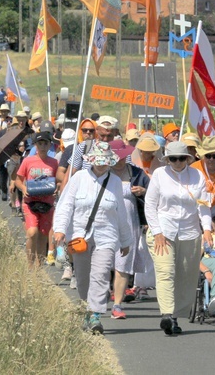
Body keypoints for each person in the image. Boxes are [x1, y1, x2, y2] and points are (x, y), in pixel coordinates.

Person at [53, 142, 133, 334]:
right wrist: (60, 229)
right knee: (82, 277)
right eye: (98, 161)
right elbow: (65, 205)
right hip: (80, 235)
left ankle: (96, 315)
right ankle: (86, 310)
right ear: (91, 161)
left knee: (101, 274)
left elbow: (121, 212)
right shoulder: (79, 178)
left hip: (106, 236)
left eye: (105, 161)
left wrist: (125, 240)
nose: (101, 164)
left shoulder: (114, 182)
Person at [145, 141, 213, 336]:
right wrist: (157, 231)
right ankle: (166, 314)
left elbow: (203, 205)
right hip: (163, 230)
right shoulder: (159, 175)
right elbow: (150, 205)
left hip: (190, 231)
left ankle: (175, 316)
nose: (177, 162)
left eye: (181, 158)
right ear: (167, 160)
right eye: (173, 159)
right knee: (166, 271)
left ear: (188, 158)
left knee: (186, 275)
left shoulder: (197, 176)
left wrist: (207, 228)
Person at [108, 140, 150, 320]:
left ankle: (117, 304)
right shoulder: (102, 173)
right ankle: (100, 296)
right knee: (104, 262)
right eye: (118, 156)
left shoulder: (136, 173)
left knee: (123, 264)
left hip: (130, 222)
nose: (121, 160)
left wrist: (144, 191)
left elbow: (154, 192)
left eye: (124, 156)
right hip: (107, 222)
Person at [14, 131, 60, 266]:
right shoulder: (28, 160)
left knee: (43, 235)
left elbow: (57, 180)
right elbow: (18, 180)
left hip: (47, 203)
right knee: (32, 232)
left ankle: (38, 269)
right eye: (40, 143)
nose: (43, 146)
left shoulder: (54, 162)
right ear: (35, 145)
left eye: (45, 143)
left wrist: (56, 188)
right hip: (30, 202)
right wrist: (23, 189)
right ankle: (29, 264)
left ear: (50, 145)